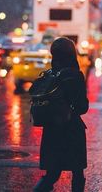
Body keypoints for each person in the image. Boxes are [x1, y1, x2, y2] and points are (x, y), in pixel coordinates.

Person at [33, 37, 89, 192]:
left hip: (52, 130)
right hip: (72, 130)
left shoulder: (50, 74)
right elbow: (82, 107)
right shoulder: (75, 75)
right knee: (77, 171)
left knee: (52, 174)